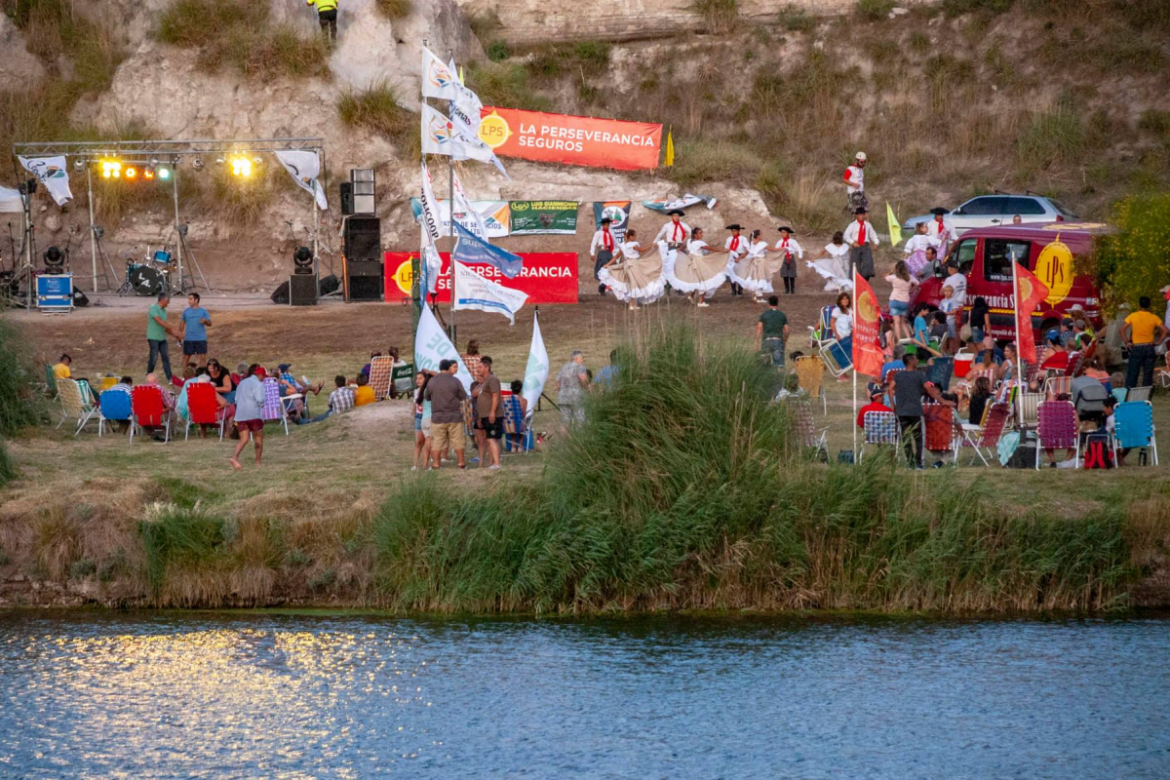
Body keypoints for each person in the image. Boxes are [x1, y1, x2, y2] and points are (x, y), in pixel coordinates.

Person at [892, 354, 953, 469]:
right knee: (918, 438)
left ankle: (910, 463)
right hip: (915, 411)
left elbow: (890, 388)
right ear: (911, 361)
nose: (918, 360)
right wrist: (943, 401)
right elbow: (929, 390)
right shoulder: (919, 375)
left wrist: (893, 405)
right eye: (916, 359)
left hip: (902, 411)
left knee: (906, 438)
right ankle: (919, 463)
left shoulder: (898, 375)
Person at [600, 228, 665, 310]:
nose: (635, 237)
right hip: (634, 265)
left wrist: (608, 264)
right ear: (630, 237)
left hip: (627, 265)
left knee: (633, 284)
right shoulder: (633, 244)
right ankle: (631, 305)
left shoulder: (623, 245)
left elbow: (616, 256)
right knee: (635, 284)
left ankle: (633, 304)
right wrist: (652, 245)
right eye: (634, 236)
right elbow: (641, 250)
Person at [668, 227, 728, 308]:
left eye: (701, 232)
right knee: (703, 280)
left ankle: (692, 296)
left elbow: (684, 245)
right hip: (698, 262)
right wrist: (721, 250)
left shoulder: (689, 241)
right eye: (700, 233)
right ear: (695, 235)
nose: (701, 234)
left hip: (691, 261)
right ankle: (700, 302)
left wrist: (678, 250)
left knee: (695, 279)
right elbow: (709, 248)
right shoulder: (699, 242)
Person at [425, 359, 468, 470]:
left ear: (440, 367)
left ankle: (435, 464)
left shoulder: (432, 381)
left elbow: (427, 396)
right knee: (458, 441)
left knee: (437, 442)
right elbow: (463, 395)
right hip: (454, 416)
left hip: (437, 417)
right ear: (449, 367)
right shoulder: (455, 381)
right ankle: (461, 463)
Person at [1122, 296, 1166, 389]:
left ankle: (1129, 395)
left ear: (1139, 305)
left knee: (1132, 374)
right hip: (1149, 347)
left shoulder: (1133, 315)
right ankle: (1145, 396)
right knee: (1147, 375)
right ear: (1149, 305)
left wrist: (1127, 342)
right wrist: (1158, 342)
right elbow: (1166, 331)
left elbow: (1122, 330)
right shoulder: (1154, 317)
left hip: (1137, 347)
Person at [230, 365, 266, 470]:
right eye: (263, 376)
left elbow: (236, 399)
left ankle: (235, 457)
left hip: (240, 415)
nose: (263, 378)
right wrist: (262, 405)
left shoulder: (241, 383)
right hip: (254, 414)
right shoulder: (258, 384)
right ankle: (258, 462)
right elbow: (260, 400)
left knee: (244, 439)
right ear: (259, 375)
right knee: (258, 438)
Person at [729, 229, 778, 303]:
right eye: (761, 234)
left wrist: (739, 258)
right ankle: (759, 297)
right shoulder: (762, 244)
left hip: (754, 262)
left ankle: (755, 295)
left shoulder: (752, 243)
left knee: (755, 278)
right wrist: (784, 249)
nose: (762, 236)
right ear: (758, 236)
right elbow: (773, 249)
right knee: (760, 278)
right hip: (760, 262)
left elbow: (745, 253)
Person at [474, 356, 503, 470]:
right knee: (490, 439)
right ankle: (493, 463)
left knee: (492, 438)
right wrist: (481, 417)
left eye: (480, 367)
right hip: (485, 415)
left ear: (487, 367)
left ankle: (496, 463)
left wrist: (492, 412)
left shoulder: (492, 379)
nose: (478, 369)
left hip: (493, 415)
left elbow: (495, 396)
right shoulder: (484, 382)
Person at [146, 292, 178, 382]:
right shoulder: (153, 308)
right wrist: (173, 328)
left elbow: (164, 326)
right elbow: (159, 321)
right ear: (163, 300)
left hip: (162, 337)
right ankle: (148, 375)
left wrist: (174, 334)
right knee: (154, 357)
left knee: (166, 357)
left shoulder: (164, 311)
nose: (169, 303)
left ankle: (169, 378)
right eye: (168, 301)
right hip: (153, 337)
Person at [884, 261, 919, 343]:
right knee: (903, 322)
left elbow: (885, 277)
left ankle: (899, 340)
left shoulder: (894, 277)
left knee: (896, 322)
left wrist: (892, 270)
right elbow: (918, 283)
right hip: (905, 301)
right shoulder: (909, 277)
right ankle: (909, 338)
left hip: (895, 300)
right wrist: (911, 290)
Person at [842, 207, 879, 280]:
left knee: (868, 264)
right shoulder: (852, 225)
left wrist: (876, 242)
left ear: (864, 215)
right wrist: (852, 242)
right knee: (855, 264)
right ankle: (854, 281)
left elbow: (873, 234)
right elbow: (846, 235)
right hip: (856, 245)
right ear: (856, 215)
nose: (861, 216)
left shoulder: (868, 225)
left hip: (865, 245)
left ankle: (864, 279)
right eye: (859, 214)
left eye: (862, 214)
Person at [556, 350, 589, 425]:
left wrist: (561, 392)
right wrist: (588, 389)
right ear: (577, 358)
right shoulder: (580, 367)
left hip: (562, 396)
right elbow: (583, 379)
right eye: (582, 358)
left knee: (565, 422)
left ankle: (564, 436)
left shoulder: (563, 367)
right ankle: (580, 436)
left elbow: (558, 383)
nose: (583, 360)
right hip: (576, 396)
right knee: (580, 420)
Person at [179, 292, 211, 368]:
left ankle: (202, 375)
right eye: (188, 299)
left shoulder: (203, 311)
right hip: (189, 338)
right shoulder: (186, 312)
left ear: (196, 300)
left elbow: (210, 323)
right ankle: (184, 376)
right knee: (186, 358)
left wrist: (205, 321)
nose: (189, 301)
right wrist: (180, 336)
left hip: (201, 338)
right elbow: (181, 325)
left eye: (190, 299)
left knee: (202, 357)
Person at [756, 295, 789, 368]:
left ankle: (767, 378)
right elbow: (786, 330)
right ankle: (778, 378)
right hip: (778, 340)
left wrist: (757, 340)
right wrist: (785, 339)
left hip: (766, 340)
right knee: (778, 365)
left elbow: (759, 327)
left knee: (765, 364)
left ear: (769, 303)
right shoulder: (782, 315)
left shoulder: (764, 314)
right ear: (777, 303)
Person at [590, 216, 618, 296]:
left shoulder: (611, 233)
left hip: (609, 252)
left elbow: (615, 242)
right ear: (602, 225)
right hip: (602, 251)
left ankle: (603, 286)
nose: (606, 226)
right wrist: (592, 253)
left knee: (612, 269)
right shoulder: (598, 233)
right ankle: (602, 286)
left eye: (608, 225)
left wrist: (623, 247)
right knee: (603, 269)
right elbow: (593, 243)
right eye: (605, 225)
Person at [412, 372, 432, 471]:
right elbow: (414, 405)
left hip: (426, 416)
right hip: (419, 416)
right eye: (417, 378)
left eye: (420, 378)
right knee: (419, 442)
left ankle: (430, 461)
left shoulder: (428, 391)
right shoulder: (416, 391)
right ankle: (415, 465)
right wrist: (414, 415)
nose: (418, 380)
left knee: (428, 441)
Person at [775, 226, 804, 295]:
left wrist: (800, 256)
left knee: (792, 273)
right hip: (782, 257)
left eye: (784, 232)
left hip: (790, 257)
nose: (782, 234)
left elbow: (798, 248)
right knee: (784, 273)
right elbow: (776, 249)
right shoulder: (779, 242)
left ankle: (792, 289)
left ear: (788, 233)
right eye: (781, 232)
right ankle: (787, 289)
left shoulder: (792, 241)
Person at [831, 292, 853, 379]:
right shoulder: (837, 310)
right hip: (839, 336)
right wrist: (836, 335)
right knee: (842, 355)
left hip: (847, 336)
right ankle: (840, 375)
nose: (845, 300)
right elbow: (832, 323)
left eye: (847, 298)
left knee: (847, 355)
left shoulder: (850, 310)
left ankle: (843, 372)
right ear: (840, 300)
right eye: (843, 299)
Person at [724, 224, 749, 296]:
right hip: (731, 257)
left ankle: (740, 289)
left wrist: (740, 257)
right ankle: (733, 289)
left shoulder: (743, 238)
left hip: (741, 256)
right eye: (732, 231)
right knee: (732, 273)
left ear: (738, 231)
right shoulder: (729, 239)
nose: (733, 232)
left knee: (741, 274)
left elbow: (748, 249)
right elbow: (726, 249)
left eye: (735, 231)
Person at [504, 380, 527, 452]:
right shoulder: (523, 400)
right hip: (519, 421)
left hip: (509, 422)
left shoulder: (505, 399)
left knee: (513, 432)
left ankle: (513, 447)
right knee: (522, 428)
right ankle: (520, 447)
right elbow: (523, 413)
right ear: (521, 389)